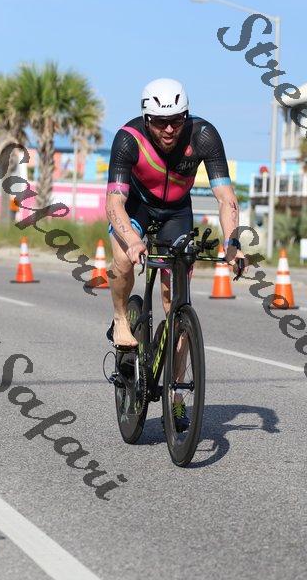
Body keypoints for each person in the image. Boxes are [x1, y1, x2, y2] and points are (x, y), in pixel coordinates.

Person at [106, 78, 246, 429]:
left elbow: (226, 197)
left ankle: (177, 396)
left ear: (186, 115)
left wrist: (232, 243)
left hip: (176, 213)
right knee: (122, 258)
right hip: (136, 209)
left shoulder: (204, 135)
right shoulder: (128, 139)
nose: (169, 129)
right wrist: (133, 241)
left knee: (176, 304)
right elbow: (114, 203)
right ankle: (121, 318)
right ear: (146, 118)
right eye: (159, 122)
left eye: (176, 120)